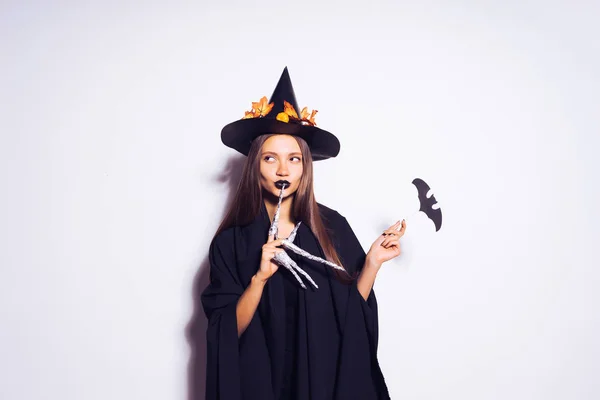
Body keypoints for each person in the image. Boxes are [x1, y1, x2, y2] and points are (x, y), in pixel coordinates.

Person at [201, 67, 406, 400]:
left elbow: (351, 317)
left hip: (322, 385)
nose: (283, 169)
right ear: (255, 165)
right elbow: (226, 334)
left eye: (294, 159)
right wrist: (260, 279)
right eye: (271, 158)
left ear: (305, 166)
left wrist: (372, 263)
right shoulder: (232, 242)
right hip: (262, 386)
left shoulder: (332, 227)